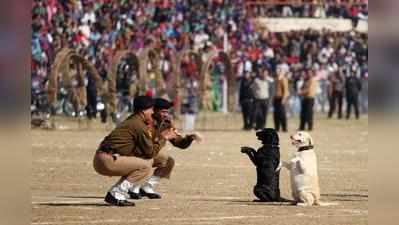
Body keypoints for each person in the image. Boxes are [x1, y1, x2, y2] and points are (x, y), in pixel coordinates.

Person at [93, 96, 178, 206]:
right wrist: (163, 138)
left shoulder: (135, 120)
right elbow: (150, 153)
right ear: (143, 111)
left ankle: (131, 189)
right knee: (145, 166)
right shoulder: (139, 125)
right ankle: (116, 193)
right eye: (151, 109)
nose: (152, 112)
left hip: (105, 157)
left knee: (153, 161)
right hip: (107, 160)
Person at [130, 98, 202, 199]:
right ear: (154, 110)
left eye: (167, 112)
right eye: (163, 111)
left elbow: (179, 143)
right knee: (146, 160)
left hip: (150, 152)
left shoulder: (167, 123)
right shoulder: (143, 121)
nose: (166, 114)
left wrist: (190, 138)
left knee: (168, 161)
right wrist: (161, 138)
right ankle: (133, 186)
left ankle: (147, 187)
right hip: (134, 153)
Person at [273, 68, 289, 132]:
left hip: (281, 99)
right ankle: (277, 128)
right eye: (277, 71)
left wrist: (284, 99)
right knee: (276, 114)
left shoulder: (283, 79)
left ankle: (284, 128)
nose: (277, 72)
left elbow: (285, 91)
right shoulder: (276, 79)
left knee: (282, 114)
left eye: (279, 71)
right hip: (276, 99)